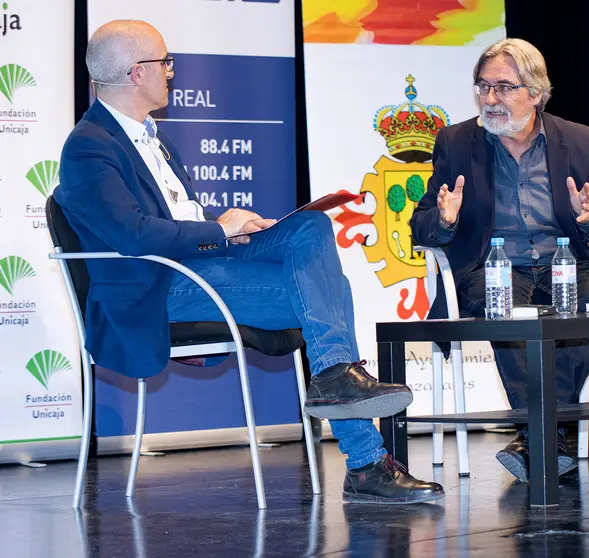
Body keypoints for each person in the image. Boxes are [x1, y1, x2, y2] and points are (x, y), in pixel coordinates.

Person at [55, 20, 443, 505]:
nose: (171, 73)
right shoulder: (90, 146)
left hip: (198, 264)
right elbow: (131, 235)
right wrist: (220, 229)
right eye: (165, 63)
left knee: (311, 227)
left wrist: (228, 227)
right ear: (137, 73)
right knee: (328, 294)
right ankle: (360, 447)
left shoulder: (154, 140)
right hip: (159, 287)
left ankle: (337, 387)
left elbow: (174, 219)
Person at [410, 38, 589, 483]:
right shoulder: (455, 141)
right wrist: (445, 221)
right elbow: (421, 225)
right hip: (491, 266)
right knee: (504, 304)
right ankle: (549, 432)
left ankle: (537, 433)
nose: (490, 99)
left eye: (504, 88)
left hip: (567, 259)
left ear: (536, 92)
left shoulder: (581, 141)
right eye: (483, 87)